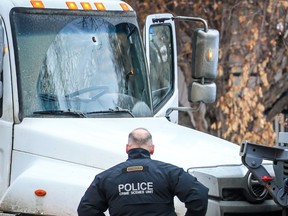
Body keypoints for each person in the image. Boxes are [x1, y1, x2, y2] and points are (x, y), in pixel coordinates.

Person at [77, 127, 208, 216]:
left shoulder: (105, 178)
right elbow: (199, 194)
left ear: (127, 148)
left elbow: (86, 208)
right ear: (152, 149)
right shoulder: (170, 173)